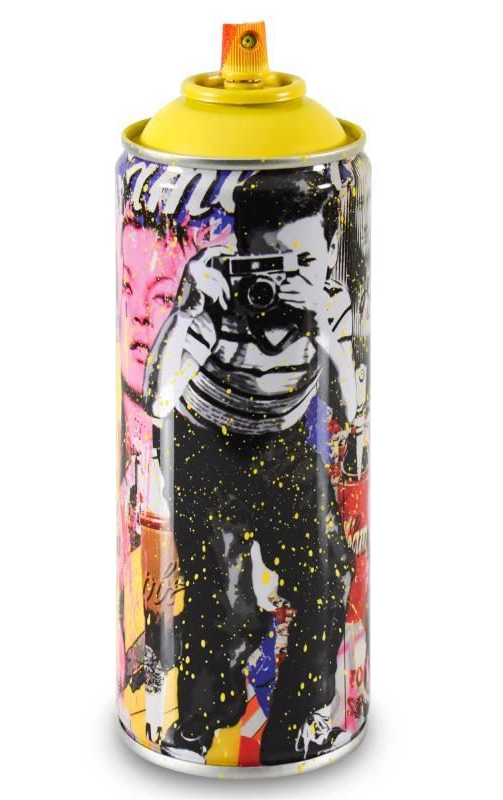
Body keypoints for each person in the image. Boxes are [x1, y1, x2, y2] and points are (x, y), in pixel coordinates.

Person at [143, 168, 357, 765]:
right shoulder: (216, 286)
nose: (281, 284)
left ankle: (299, 721)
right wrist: (192, 312)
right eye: (268, 264)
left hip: (283, 443)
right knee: (218, 593)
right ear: (241, 252)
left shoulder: (331, 300)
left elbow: (350, 406)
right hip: (203, 443)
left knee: (325, 575)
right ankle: (201, 719)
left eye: (303, 263)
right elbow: (157, 398)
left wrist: (323, 327)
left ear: (329, 251)